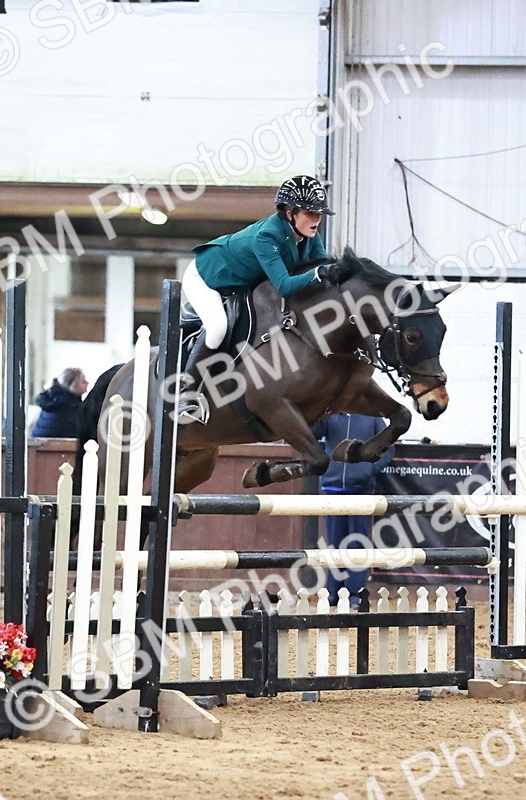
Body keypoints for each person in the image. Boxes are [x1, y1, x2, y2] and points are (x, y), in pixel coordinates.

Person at [175, 175, 335, 422]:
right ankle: (186, 392)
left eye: (319, 213)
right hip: (206, 278)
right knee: (217, 328)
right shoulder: (266, 237)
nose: (316, 219)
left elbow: (321, 267)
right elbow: (285, 285)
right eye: (310, 212)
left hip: (239, 285)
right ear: (290, 213)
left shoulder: (310, 235)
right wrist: (318, 274)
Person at [311, 413, 394, 606]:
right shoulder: (331, 414)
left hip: (361, 490)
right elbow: (313, 433)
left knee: (358, 543)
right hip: (332, 488)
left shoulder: (372, 416)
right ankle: (333, 594)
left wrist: (369, 469)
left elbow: (388, 446)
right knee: (335, 544)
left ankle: (354, 595)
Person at [31, 367, 88, 439]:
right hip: (62, 445)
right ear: (73, 386)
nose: (87, 383)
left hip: (36, 444)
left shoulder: (49, 400)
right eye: (83, 381)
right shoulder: (71, 406)